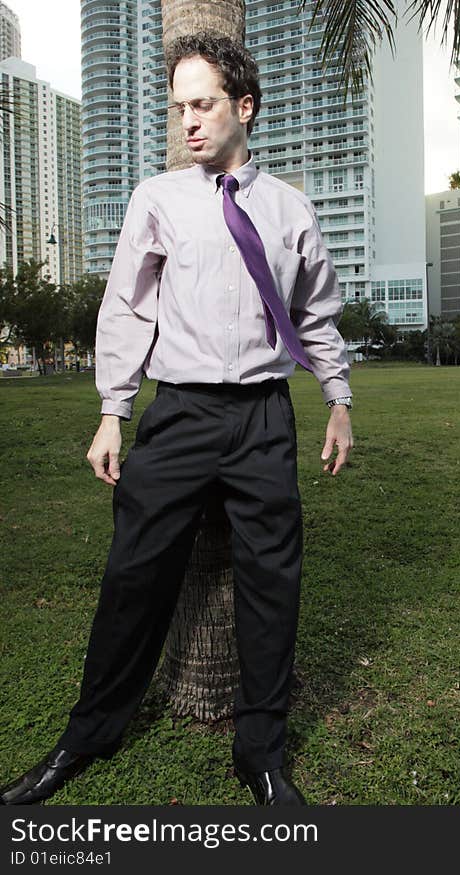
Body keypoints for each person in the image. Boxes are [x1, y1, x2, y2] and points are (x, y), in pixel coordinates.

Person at [0, 33, 352, 806]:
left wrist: (339, 400)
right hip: (181, 413)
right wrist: (111, 411)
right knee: (133, 573)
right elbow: (126, 309)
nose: (188, 121)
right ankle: (86, 735)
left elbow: (317, 315)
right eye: (179, 107)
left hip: (263, 416)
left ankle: (261, 755)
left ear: (244, 107)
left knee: (272, 584)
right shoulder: (156, 199)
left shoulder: (290, 209)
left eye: (204, 104)